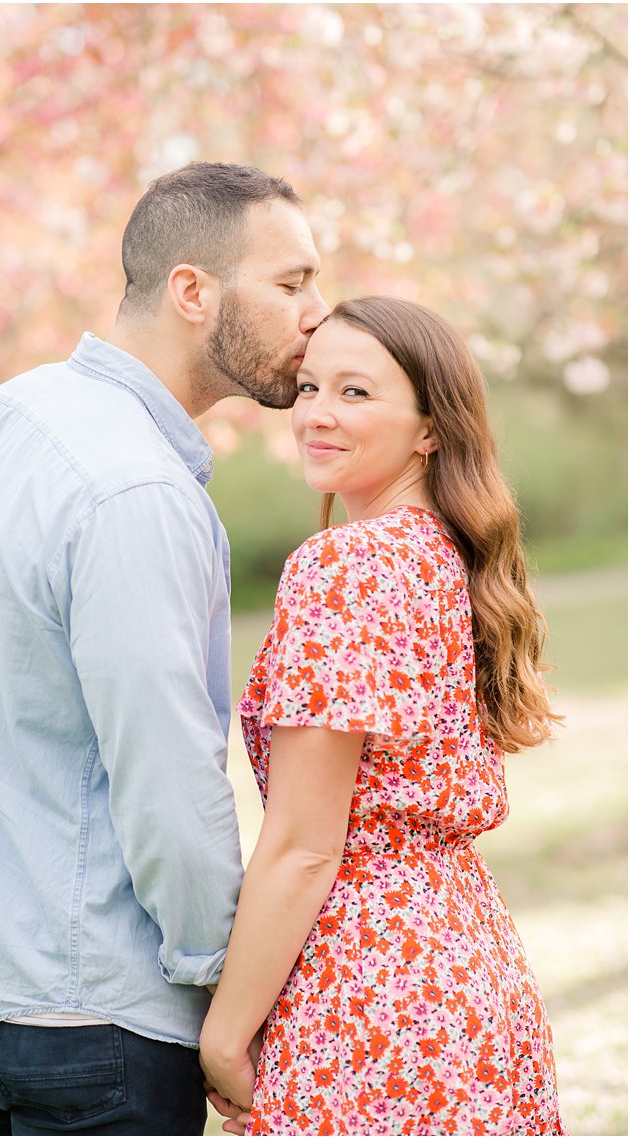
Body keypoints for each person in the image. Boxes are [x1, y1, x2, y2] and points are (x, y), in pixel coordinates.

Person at [0, 162, 329, 1134]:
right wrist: (219, 990)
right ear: (191, 291)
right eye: (291, 282)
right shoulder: (136, 489)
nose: (316, 314)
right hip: (84, 1018)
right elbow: (165, 772)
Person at [199, 297, 563, 1135]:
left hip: (369, 996)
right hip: (470, 974)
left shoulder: (348, 566)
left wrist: (224, 1033)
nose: (316, 415)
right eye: (311, 387)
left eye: (356, 393)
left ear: (431, 428)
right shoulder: (448, 557)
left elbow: (303, 843)